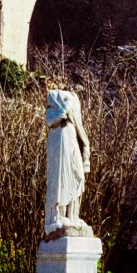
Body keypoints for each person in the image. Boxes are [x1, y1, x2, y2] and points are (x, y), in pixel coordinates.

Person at [44, 90, 90, 236]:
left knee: (79, 177)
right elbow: (50, 121)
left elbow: (80, 130)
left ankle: (73, 216)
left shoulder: (72, 117)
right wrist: (64, 109)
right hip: (60, 141)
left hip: (71, 139)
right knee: (61, 179)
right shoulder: (52, 111)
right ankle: (59, 215)